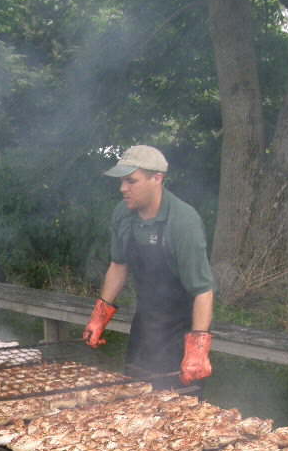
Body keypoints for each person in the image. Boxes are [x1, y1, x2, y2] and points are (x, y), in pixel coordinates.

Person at [82, 145, 214, 388]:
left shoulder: (183, 221)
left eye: (131, 181)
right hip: (144, 322)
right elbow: (118, 266)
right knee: (134, 394)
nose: (123, 189)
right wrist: (99, 317)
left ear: (157, 178)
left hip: (181, 328)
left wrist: (197, 349)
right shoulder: (123, 213)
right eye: (122, 182)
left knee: (177, 410)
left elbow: (203, 291)